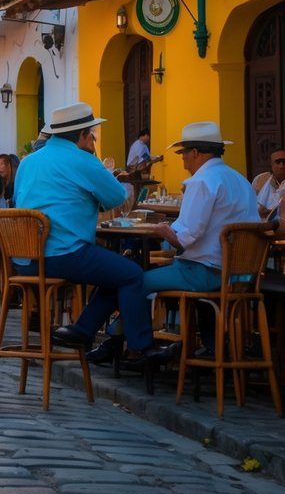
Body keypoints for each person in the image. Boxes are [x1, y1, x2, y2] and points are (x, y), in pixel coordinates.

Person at [15, 102, 173, 370]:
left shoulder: (28, 162)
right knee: (132, 273)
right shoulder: (81, 159)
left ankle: (84, 330)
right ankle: (141, 348)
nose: (94, 139)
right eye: (92, 135)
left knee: (118, 273)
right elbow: (116, 196)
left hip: (25, 257)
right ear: (83, 136)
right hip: (63, 254)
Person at [90, 122, 261, 364]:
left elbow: (185, 238)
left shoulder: (202, 182)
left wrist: (161, 229)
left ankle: (130, 346)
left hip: (204, 272)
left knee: (134, 281)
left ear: (195, 153)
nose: (183, 162)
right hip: (239, 274)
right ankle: (118, 341)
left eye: (183, 155)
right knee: (143, 277)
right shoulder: (240, 180)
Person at [256, 147, 285, 218]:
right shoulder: (260, 180)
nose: (281, 166)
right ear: (271, 164)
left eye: (284, 162)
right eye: (278, 162)